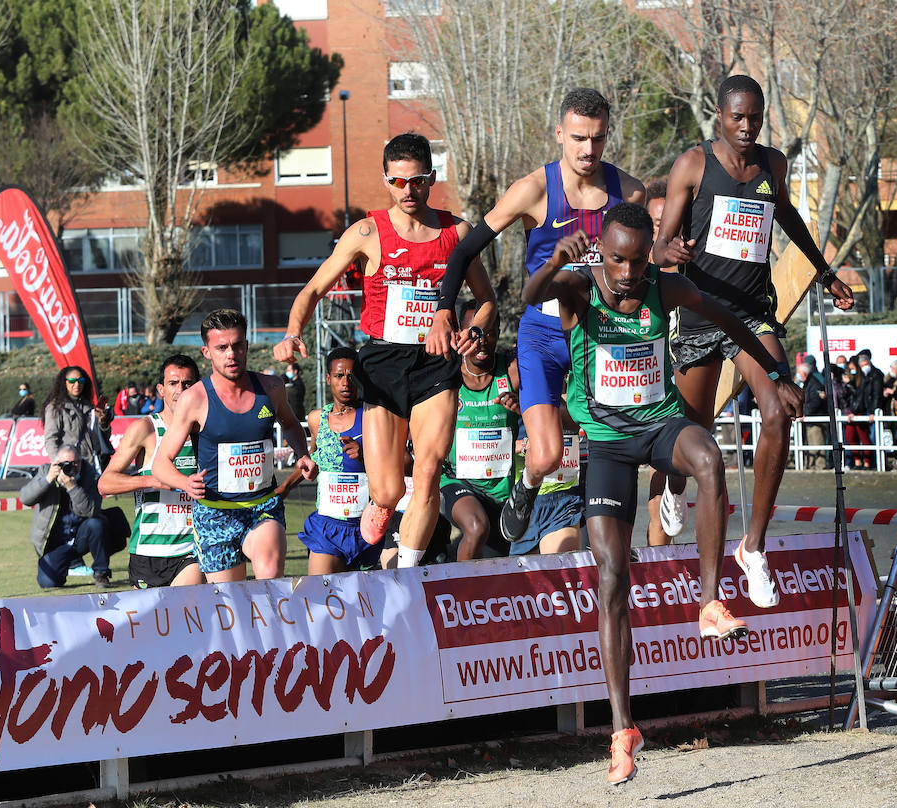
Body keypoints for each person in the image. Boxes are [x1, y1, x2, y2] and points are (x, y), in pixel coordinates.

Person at [526, 204, 802, 783]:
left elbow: (730, 321)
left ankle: (708, 601)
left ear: (651, 249)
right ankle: (623, 729)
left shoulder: (664, 286)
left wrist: (774, 374)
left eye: (638, 259)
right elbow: (530, 298)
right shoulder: (581, 286)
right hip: (604, 444)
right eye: (618, 259)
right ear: (604, 250)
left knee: (708, 459)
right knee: (612, 580)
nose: (628, 273)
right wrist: (554, 259)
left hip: (658, 428)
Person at [652, 74, 853, 600]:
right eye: (737, 117)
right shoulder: (693, 165)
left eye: (755, 118)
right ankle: (674, 483)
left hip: (752, 315)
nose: (747, 127)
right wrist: (670, 253)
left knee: (779, 408)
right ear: (719, 116)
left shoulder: (773, 165)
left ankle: (754, 547)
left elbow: (789, 220)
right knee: (690, 429)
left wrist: (825, 272)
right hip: (699, 311)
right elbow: (659, 247)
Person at [275, 132, 495, 569]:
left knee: (429, 469)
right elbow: (314, 288)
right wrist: (292, 331)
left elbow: (487, 301)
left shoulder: (457, 232)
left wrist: (477, 332)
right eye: (398, 182)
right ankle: (380, 506)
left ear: (431, 179)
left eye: (416, 181)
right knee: (389, 489)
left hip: (436, 362)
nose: (408, 191)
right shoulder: (367, 231)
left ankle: (408, 574)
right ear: (385, 181)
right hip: (382, 363)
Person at [437, 88, 647, 546]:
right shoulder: (533, 190)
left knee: (624, 444)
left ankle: (625, 533)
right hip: (544, 335)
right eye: (578, 138)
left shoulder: (628, 191)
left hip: (598, 336)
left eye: (598, 138)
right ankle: (526, 488)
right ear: (559, 135)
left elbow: (644, 260)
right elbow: (465, 250)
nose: (588, 150)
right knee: (547, 454)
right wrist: (442, 310)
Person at [155, 309, 316, 582]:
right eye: (222, 347)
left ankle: (272, 621)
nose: (231, 354)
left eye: (237, 345)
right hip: (215, 512)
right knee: (231, 605)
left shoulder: (271, 387)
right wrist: (185, 483)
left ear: (246, 346)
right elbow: (161, 463)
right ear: (207, 352)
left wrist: (302, 454)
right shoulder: (194, 399)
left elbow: (289, 423)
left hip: (262, 505)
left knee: (271, 575)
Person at [97, 355, 204, 589]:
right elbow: (105, 483)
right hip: (148, 549)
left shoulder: (206, 431)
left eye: (187, 384)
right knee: (151, 624)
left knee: (184, 612)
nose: (180, 390)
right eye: (173, 383)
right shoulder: (146, 428)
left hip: (192, 548)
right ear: (161, 390)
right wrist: (152, 480)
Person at [281, 346, 384, 574]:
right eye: (339, 376)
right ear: (328, 378)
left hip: (366, 526)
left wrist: (366, 456)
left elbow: (401, 463)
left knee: (364, 603)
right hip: (327, 526)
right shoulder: (317, 419)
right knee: (320, 594)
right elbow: (316, 458)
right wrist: (286, 486)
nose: (346, 382)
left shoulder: (373, 416)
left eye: (351, 376)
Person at [439, 303, 522, 561]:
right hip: (456, 482)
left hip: (500, 490)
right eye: (474, 334)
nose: (482, 342)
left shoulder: (511, 372)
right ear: (459, 334)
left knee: (493, 566)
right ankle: (460, 597)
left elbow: (549, 408)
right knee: (476, 527)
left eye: (490, 333)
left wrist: (522, 409)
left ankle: (454, 560)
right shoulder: (447, 375)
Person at [20, 444, 111, 589]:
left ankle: (101, 574)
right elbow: (25, 498)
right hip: (55, 543)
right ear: (57, 464)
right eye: (65, 464)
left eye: (75, 463)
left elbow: (90, 511)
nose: (71, 467)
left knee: (96, 523)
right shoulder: (46, 471)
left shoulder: (90, 475)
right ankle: (61, 566)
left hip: (80, 538)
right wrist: (48, 479)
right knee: (48, 583)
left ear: (81, 462)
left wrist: (72, 488)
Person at [42, 366, 113, 467]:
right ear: (64, 383)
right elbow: (51, 439)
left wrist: (103, 422)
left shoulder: (89, 406)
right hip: (71, 464)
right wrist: (60, 463)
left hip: (93, 463)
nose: (77, 384)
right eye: (72, 381)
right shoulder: (55, 407)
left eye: (80, 380)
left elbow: (102, 437)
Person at [797, 355, 828, 469]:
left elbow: (815, 402)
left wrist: (804, 412)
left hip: (816, 419)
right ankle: (810, 465)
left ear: (804, 374)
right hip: (809, 419)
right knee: (810, 444)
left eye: (799, 373)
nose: (798, 375)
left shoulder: (814, 383)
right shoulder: (807, 383)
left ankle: (820, 465)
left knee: (817, 443)